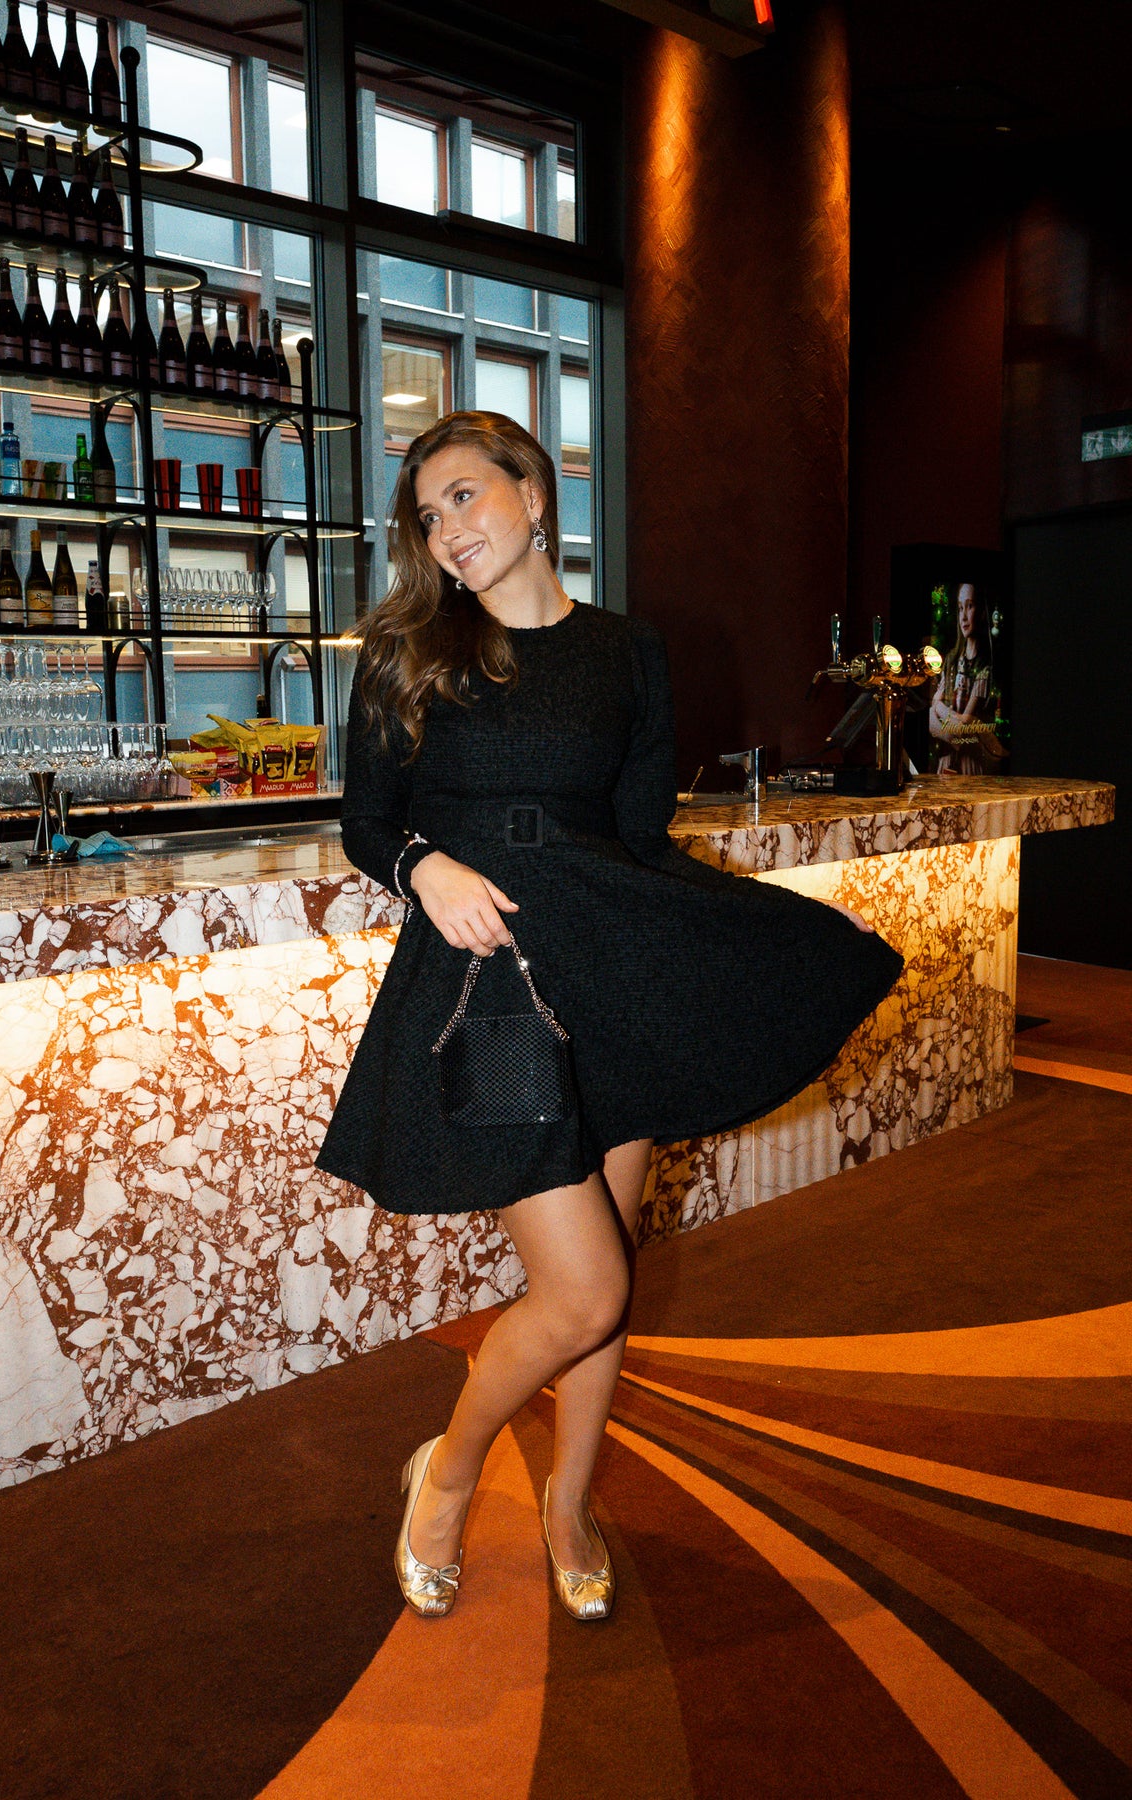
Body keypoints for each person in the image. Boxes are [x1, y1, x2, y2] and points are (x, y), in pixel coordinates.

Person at [315, 411, 905, 1623]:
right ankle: (449, 1471)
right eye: (428, 515)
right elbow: (365, 822)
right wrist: (425, 866)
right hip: (491, 986)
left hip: (614, 974)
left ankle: (569, 1504)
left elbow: (645, 846)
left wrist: (787, 926)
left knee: (612, 1282)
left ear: (534, 495)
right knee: (581, 1290)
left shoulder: (628, 650)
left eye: (466, 496)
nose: (448, 529)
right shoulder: (406, 652)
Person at [928, 581, 1004, 775]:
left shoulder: (985, 666)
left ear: (982, 612)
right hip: (946, 763)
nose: (963, 616)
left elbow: (962, 727)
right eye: (960, 608)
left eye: (969, 606)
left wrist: (939, 710)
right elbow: (933, 720)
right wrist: (944, 720)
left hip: (971, 764)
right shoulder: (951, 661)